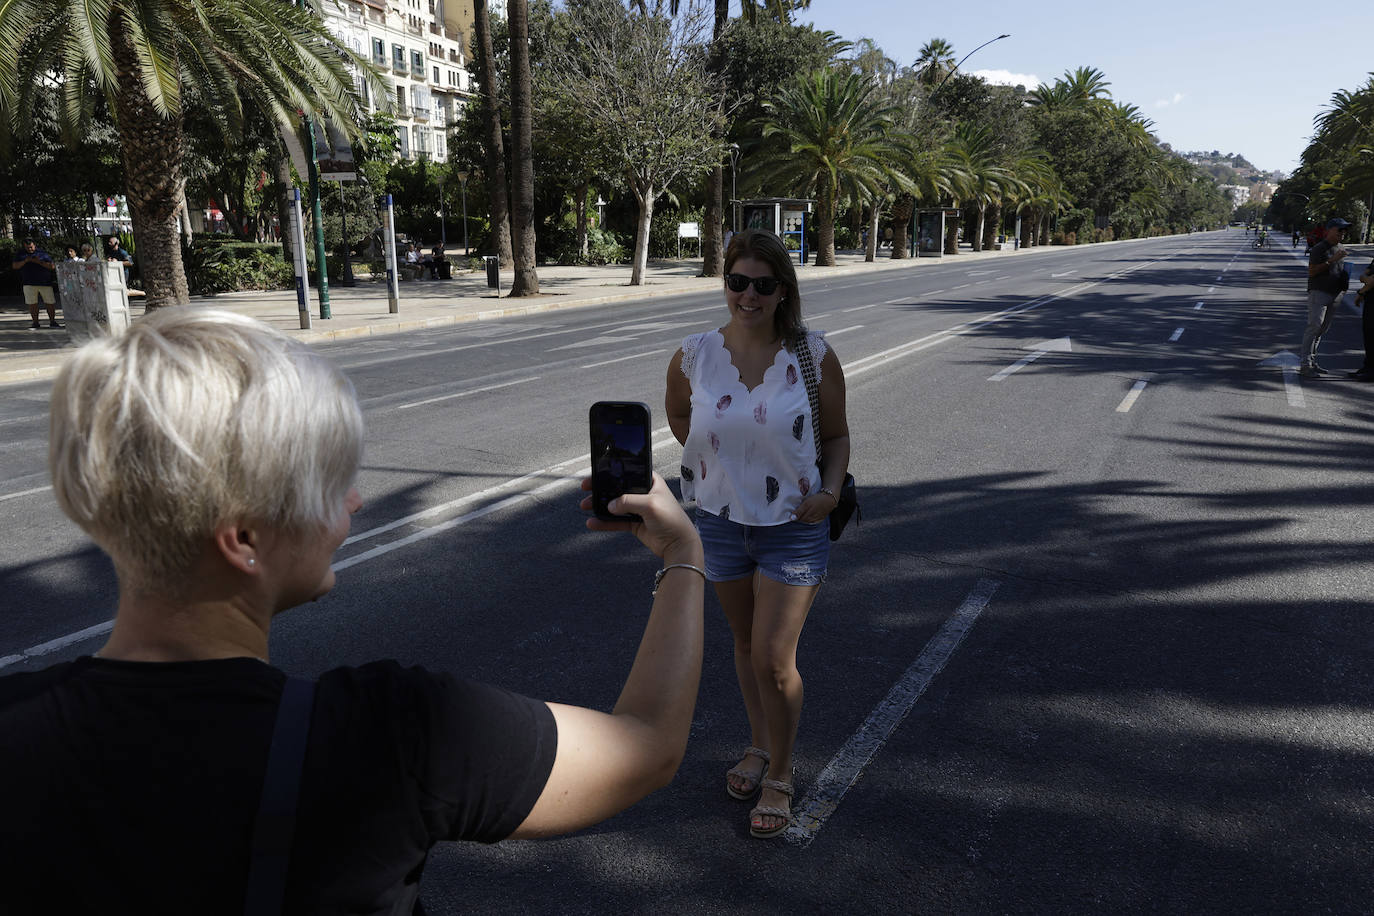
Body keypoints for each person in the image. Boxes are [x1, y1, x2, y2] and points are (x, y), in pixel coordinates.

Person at [0, 308, 707, 912]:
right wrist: (683, 553)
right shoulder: (389, 738)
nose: (353, 502)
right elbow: (645, 746)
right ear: (244, 538)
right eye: (332, 480)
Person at [665, 229, 850, 839]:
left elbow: (839, 434)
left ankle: (782, 771)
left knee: (774, 659)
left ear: (782, 292)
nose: (747, 295)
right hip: (720, 524)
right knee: (744, 647)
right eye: (737, 282)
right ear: (725, 284)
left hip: (794, 528)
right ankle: (758, 743)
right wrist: (716, 463)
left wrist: (828, 491)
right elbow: (680, 415)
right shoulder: (692, 354)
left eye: (762, 285)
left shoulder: (813, 355)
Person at [1299, 217, 1352, 377]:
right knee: (1314, 327)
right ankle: (1305, 365)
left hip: (1335, 294)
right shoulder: (1319, 248)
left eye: (1344, 230)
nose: (1342, 233)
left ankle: (1313, 362)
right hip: (1319, 292)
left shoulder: (1340, 247)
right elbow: (1312, 271)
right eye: (1339, 230)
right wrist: (1331, 261)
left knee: (1321, 330)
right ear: (1329, 231)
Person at [10, 237, 61, 329]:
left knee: (49, 302)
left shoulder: (42, 253)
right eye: (27, 248)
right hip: (28, 282)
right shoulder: (21, 254)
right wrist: (25, 261)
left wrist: (39, 262)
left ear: (34, 245)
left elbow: (52, 266)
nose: (30, 249)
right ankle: (35, 322)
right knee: (32, 303)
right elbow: (15, 266)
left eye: (31, 247)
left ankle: (52, 321)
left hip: (44, 282)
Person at [1349, 255, 1374, 382]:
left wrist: (1360, 292)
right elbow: (1364, 274)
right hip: (1370, 300)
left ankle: (1371, 371)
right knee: (1368, 334)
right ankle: (1368, 367)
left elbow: (1370, 280)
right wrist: (1366, 280)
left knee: (1372, 334)